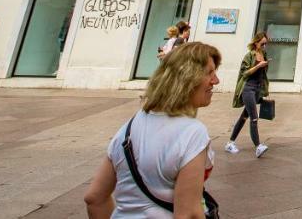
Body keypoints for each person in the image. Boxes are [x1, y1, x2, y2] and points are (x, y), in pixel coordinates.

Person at [83, 41, 221, 219]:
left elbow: (94, 198)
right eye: (209, 72)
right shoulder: (192, 133)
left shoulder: (130, 128)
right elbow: (188, 214)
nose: (216, 80)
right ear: (187, 77)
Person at [224, 31, 270, 157]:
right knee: (254, 117)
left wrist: (265, 65)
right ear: (256, 43)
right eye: (263, 44)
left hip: (257, 89)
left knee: (244, 117)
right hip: (248, 89)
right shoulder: (249, 56)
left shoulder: (264, 54)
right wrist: (258, 65)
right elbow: (244, 73)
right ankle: (258, 146)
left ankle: (230, 143)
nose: (265, 47)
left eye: (266, 44)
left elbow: (263, 73)